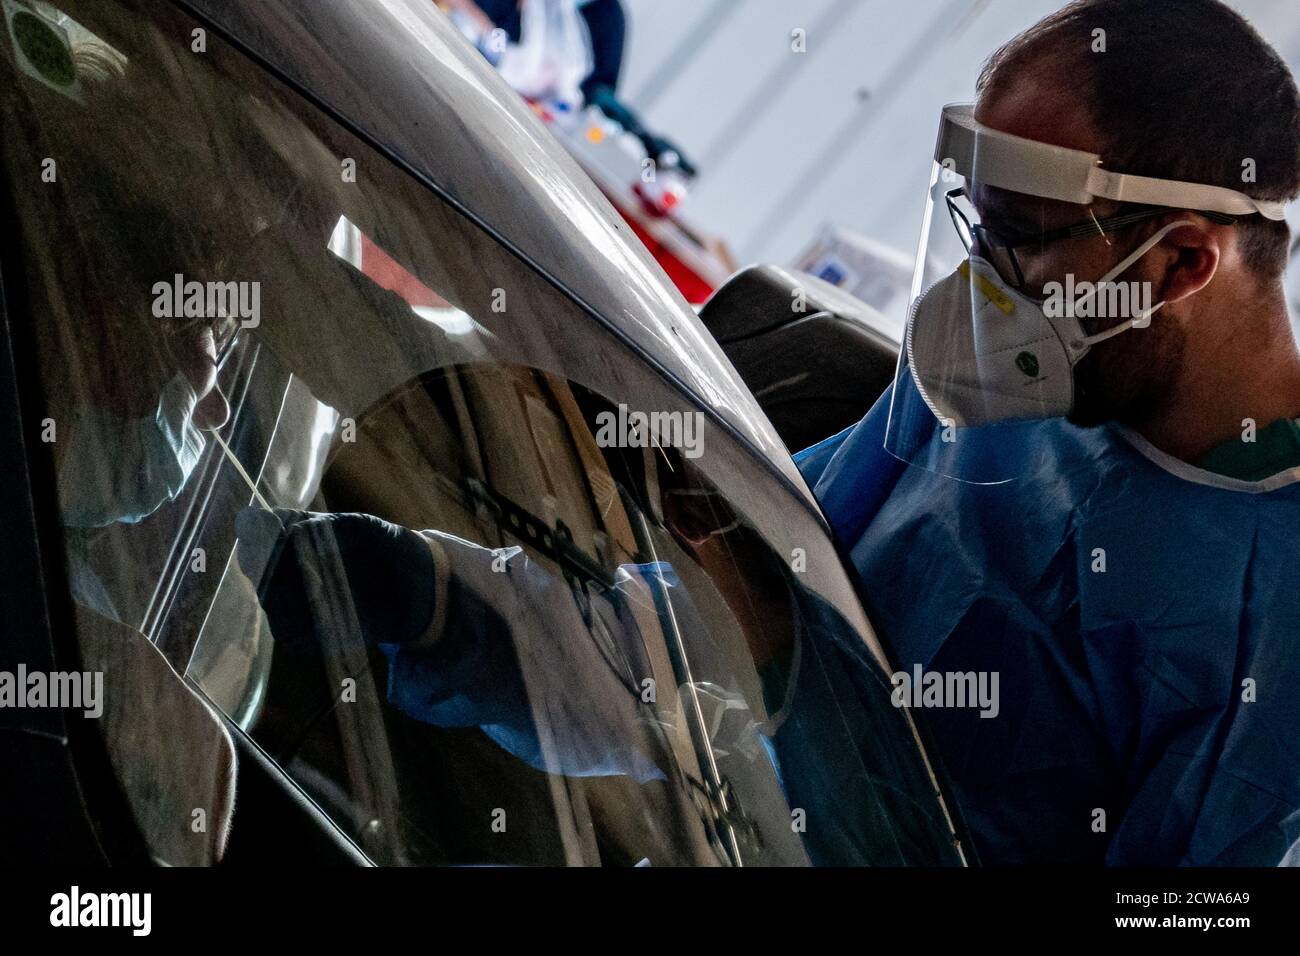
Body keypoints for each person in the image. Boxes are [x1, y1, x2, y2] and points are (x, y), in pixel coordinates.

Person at [798, 0, 1300, 865]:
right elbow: (750, 565)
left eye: (1019, 237)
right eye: (976, 225)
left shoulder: (1270, 619)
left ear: (1181, 263)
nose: (982, 286)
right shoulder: (984, 388)